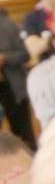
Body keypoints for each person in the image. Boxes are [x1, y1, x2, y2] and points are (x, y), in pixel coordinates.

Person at [0, 9, 32, 145]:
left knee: (24, 134)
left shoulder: (7, 24)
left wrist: (4, 58)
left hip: (13, 90)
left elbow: (25, 54)